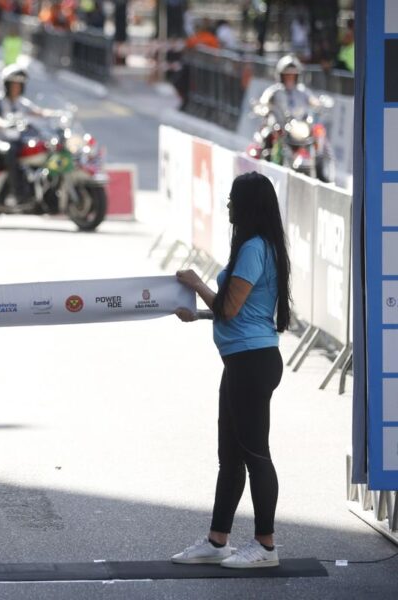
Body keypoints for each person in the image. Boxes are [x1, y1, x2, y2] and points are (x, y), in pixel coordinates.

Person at [171, 171, 291, 569]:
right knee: (230, 456)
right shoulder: (258, 246)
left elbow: (230, 307)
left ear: (247, 206)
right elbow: (236, 312)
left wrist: (197, 283)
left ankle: (266, 547)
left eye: (232, 200)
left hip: (252, 363)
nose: (227, 206)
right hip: (243, 360)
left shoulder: (255, 248)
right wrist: (199, 314)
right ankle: (217, 540)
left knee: (256, 454)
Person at [0, 64, 62, 203]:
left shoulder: (21, 102)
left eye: (19, 85)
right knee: (10, 151)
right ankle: (17, 193)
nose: (16, 88)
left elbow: (38, 112)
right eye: (13, 85)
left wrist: (57, 114)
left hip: (15, 140)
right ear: (6, 85)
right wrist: (5, 123)